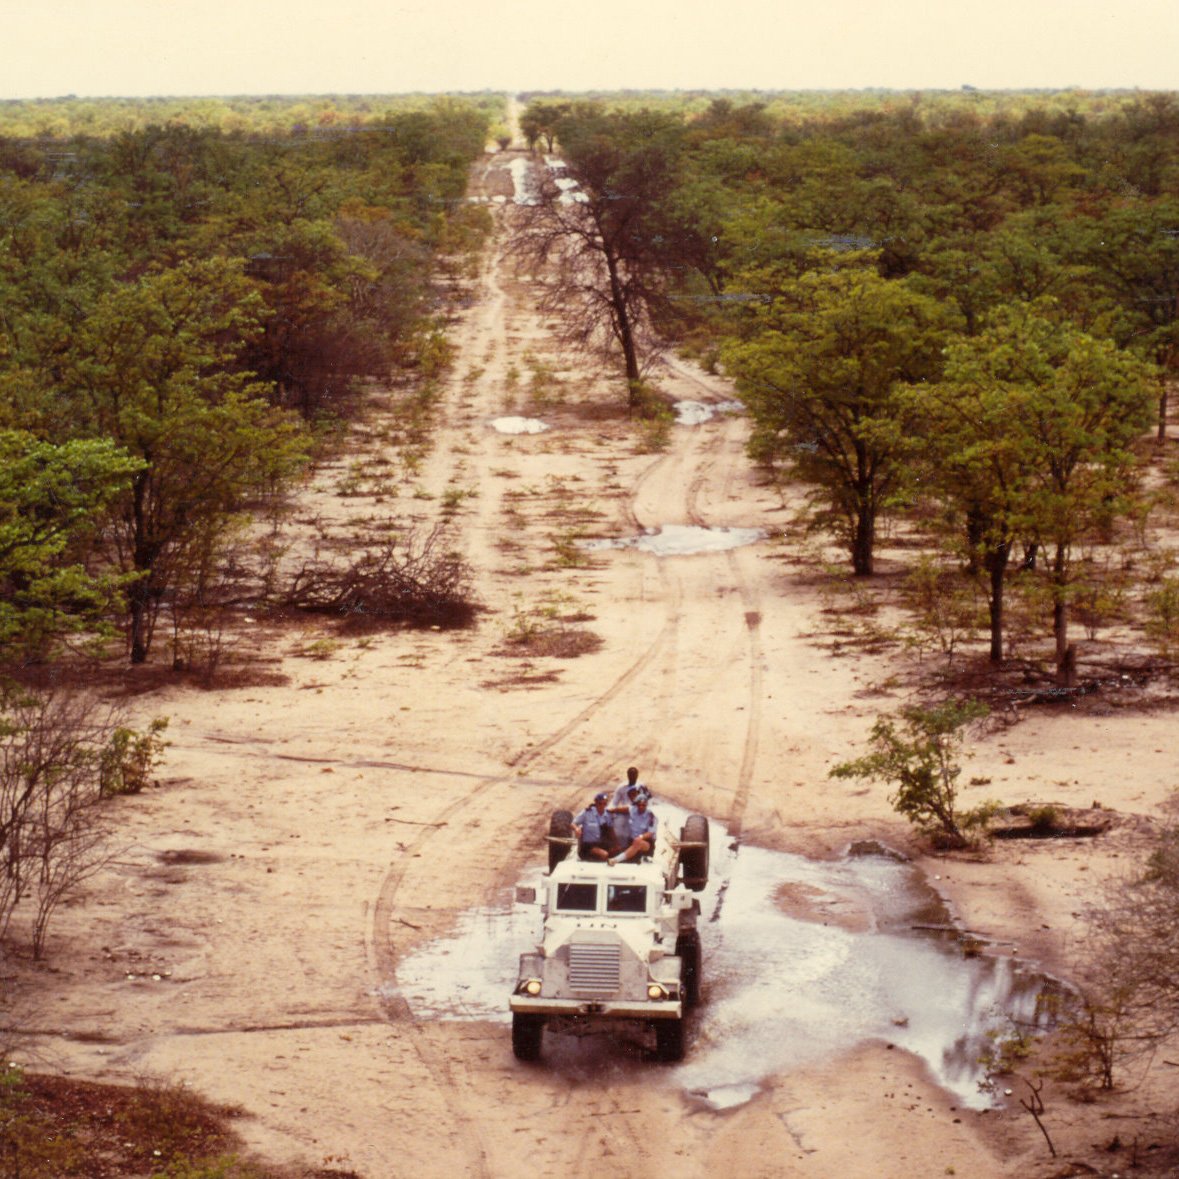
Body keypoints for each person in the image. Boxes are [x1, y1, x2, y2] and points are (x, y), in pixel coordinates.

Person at [609, 793, 657, 865]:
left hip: (646, 843)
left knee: (638, 843)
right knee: (614, 851)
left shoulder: (651, 816)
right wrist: (610, 810)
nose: (641, 807)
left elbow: (650, 833)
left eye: (643, 805)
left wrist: (640, 837)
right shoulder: (633, 810)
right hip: (632, 842)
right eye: (639, 805)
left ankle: (615, 860)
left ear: (646, 804)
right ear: (636, 804)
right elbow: (624, 809)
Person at [608, 766, 645, 849]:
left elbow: (645, 801)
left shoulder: (641, 786)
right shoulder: (621, 787)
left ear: (637, 775)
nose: (632, 777)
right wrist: (609, 810)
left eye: (634, 775)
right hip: (623, 812)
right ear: (628, 775)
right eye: (630, 775)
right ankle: (621, 847)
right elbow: (614, 802)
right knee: (618, 828)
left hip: (637, 812)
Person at [573, 792, 613, 860]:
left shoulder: (608, 815)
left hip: (601, 844)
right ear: (596, 803)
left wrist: (616, 844)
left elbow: (611, 830)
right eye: (600, 803)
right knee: (604, 854)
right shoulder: (587, 813)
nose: (602, 806)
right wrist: (576, 829)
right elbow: (573, 823)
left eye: (604, 804)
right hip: (588, 846)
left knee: (616, 852)